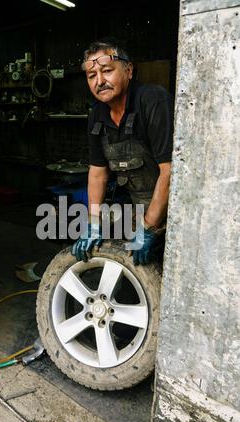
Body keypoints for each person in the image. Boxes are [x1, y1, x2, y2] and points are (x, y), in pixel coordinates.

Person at [72, 38, 174, 265]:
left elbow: (171, 172)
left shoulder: (153, 101)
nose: (100, 81)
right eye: (91, 76)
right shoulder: (97, 114)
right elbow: (97, 173)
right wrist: (94, 223)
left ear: (128, 70)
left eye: (107, 71)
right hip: (140, 207)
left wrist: (148, 228)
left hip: (176, 208)